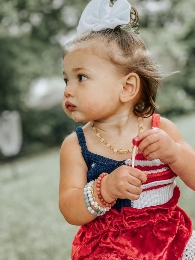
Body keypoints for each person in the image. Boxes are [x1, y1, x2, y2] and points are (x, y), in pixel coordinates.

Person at [59, 0, 195, 259]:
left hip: (171, 240)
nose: (67, 89)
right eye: (66, 79)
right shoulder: (76, 146)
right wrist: (105, 190)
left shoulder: (160, 129)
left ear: (127, 87)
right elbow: (69, 208)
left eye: (81, 77)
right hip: (109, 249)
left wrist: (175, 153)